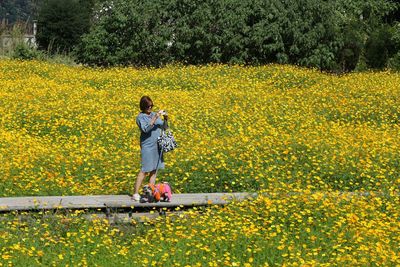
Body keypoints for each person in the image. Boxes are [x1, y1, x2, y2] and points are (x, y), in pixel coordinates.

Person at [133, 96, 168, 201]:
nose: (150, 108)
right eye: (148, 106)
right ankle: (135, 193)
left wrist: (166, 118)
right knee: (144, 170)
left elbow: (164, 127)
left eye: (152, 106)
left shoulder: (153, 114)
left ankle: (151, 192)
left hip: (157, 145)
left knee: (154, 170)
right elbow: (145, 129)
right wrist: (155, 118)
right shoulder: (140, 117)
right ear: (143, 106)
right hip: (147, 146)